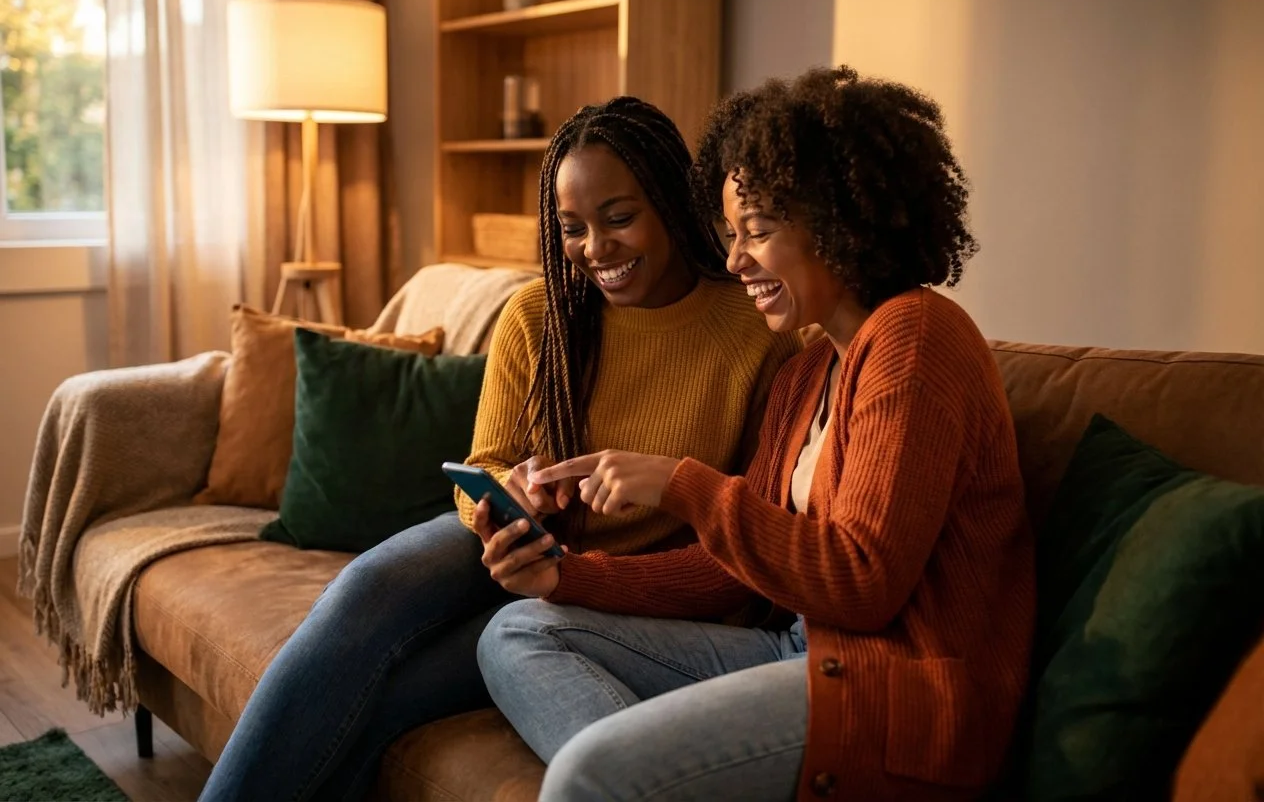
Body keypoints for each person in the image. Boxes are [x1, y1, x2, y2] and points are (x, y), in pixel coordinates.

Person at [198, 96, 801, 801]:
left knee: (397, 698)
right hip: (518, 537)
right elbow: (484, 461)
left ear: (670, 200)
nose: (595, 250)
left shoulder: (756, 328)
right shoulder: (537, 313)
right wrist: (503, 498)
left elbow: (747, 514)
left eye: (619, 218)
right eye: (572, 228)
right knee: (365, 588)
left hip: (631, 583)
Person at [476, 65, 1036, 802]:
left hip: (898, 698)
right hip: (796, 653)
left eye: (759, 233)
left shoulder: (917, 338)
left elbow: (862, 582)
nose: (735, 261)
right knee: (517, 631)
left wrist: (683, 485)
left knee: (590, 773)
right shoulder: (808, 372)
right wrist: (566, 577)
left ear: (840, 226)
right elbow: (733, 568)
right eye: (731, 234)